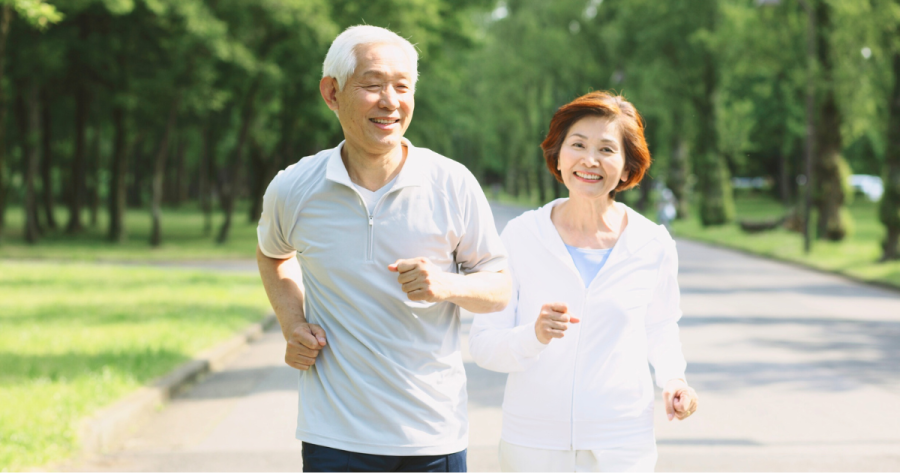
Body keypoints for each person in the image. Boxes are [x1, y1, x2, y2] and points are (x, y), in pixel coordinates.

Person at [256, 25, 511, 473]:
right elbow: (273, 254)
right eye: (373, 85)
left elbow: (501, 288)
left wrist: (445, 285)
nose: (390, 101)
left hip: (433, 434)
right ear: (332, 93)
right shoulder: (295, 187)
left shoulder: (451, 183)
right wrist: (292, 323)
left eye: (402, 86)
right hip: (333, 436)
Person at [468, 91, 698, 473]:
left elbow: (660, 325)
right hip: (532, 443)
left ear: (626, 168)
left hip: (622, 443)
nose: (590, 160)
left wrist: (675, 380)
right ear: (559, 156)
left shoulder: (652, 243)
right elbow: (483, 344)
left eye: (607, 149)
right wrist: (535, 335)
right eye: (577, 145)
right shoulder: (522, 236)